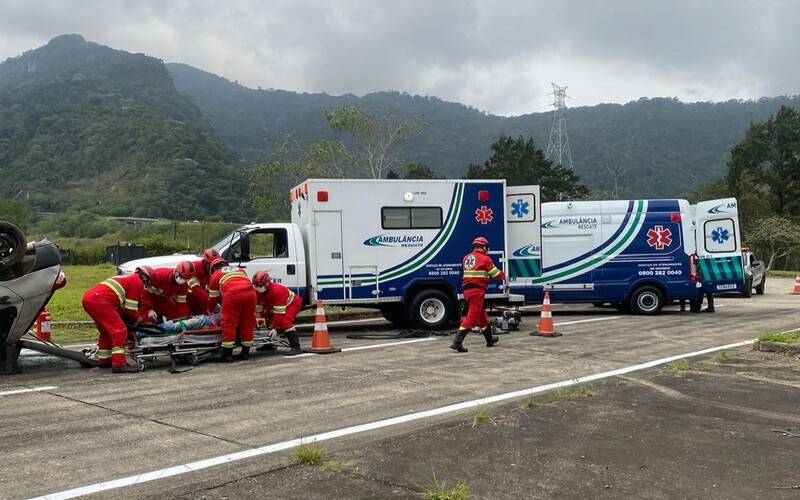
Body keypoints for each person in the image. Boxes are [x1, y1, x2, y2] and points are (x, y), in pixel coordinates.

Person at [82, 266, 156, 373]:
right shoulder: (137, 282)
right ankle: (119, 365)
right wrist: (139, 319)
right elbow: (130, 308)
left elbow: (122, 306)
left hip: (89, 299)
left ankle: (105, 360)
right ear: (146, 278)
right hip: (100, 301)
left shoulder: (126, 278)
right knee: (120, 331)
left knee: (105, 332)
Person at [451, 236, 505, 353]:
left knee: (482, 317)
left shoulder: (466, 258)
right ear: (483, 247)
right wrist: (503, 275)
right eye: (486, 247)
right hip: (477, 291)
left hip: (467, 291)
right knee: (471, 317)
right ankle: (457, 342)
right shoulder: (485, 259)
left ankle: (489, 340)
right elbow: (495, 274)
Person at [208, 257, 257, 362]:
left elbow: (213, 298)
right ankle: (245, 353)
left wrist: (209, 310)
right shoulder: (240, 270)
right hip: (251, 294)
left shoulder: (215, 274)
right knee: (247, 322)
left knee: (229, 324)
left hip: (232, 295)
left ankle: (227, 355)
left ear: (213, 268)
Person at [252, 271, 303, 356]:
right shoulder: (256, 291)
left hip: (291, 304)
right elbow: (258, 307)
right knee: (266, 320)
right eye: (255, 285)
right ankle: (268, 344)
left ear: (267, 283)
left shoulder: (277, 291)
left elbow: (279, 313)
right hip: (272, 305)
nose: (257, 288)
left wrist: (274, 328)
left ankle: (296, 347)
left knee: (284, 322)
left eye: (259, 286)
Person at [188, 249, 220, 315]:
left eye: (216, 264)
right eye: (211, 264)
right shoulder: (194, 267)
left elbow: (213, 288)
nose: (214, 267)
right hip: (187, 297)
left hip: (200, 297)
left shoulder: (212, 270)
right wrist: (210, 301)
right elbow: (195, 288)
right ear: (205, 262)